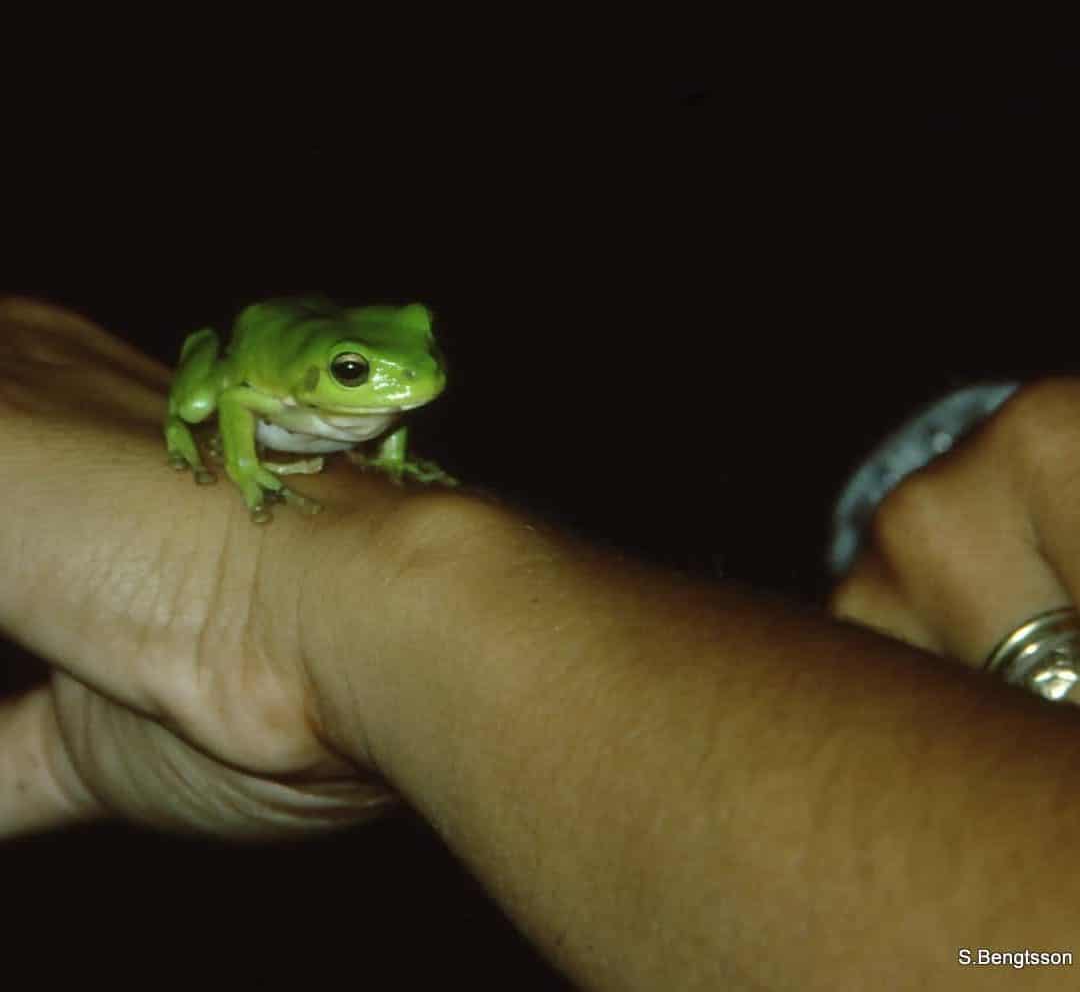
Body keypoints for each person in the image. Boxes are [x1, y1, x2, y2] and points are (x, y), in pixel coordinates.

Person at [0, 296, 1076, 990]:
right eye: (365, 375)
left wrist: (294, 602)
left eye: (416, 359)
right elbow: (228, 389)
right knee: (207, 389)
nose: (412, 381)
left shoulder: (384, 404)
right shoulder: (267, 383)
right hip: (255, 389)